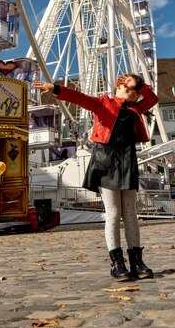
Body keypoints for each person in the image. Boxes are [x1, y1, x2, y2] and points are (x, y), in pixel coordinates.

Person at [35, 73, 157, 281]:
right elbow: (80, 98)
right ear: (117, 86)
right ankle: (117, 262)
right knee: (113, 213)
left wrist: (138, 83)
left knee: (130, 213)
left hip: (127, 161)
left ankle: (137, 260)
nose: (130, 92)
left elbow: (152, 99)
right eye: (126, 88)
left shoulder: (137, 108)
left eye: (134, 92)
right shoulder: (104, 103)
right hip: (106, 160)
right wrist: (55, 88)